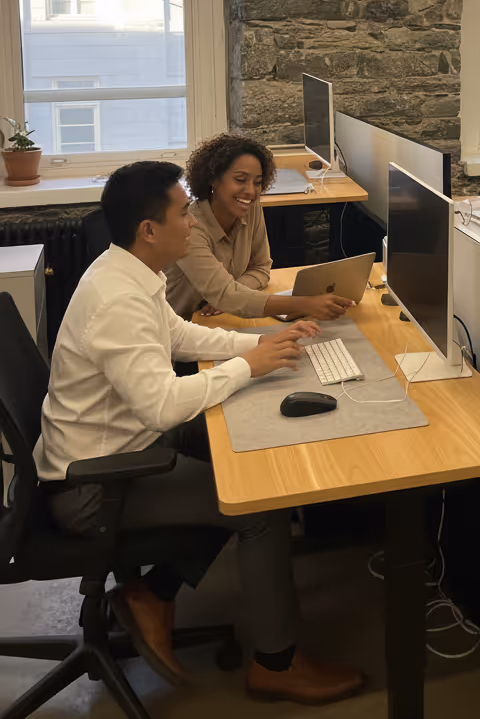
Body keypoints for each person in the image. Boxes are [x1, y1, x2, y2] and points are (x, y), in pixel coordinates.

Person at [35, 161, 363, 704]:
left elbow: (180, 336)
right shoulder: (117, 300)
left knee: (239, 454)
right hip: (91, 486)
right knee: (257, 503)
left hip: (119, 445)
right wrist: (249, 367)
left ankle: (154, 594)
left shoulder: (127, 271)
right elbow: (164, 405)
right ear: (150, 230)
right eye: (183, 213)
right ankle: (275, 664)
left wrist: (259, 343)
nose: (192, 223)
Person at [165, 133, 353, 322]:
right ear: (213, 179)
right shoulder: (190, 227)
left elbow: (261, 269)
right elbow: (227, 296)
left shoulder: (250, 207)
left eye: (257, 182)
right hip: (182, 329)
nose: (251, 191)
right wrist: (307, 304)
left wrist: (232, 294)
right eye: (240, 180)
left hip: (224, 318)